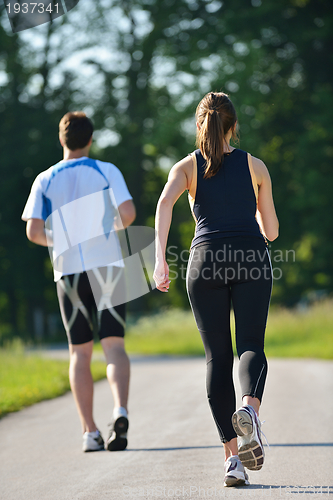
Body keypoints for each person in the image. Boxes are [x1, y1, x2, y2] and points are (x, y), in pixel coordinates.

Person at [153, 92, 279, 487]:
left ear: (200, 125)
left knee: (216, 359)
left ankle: (232, 460)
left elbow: (163, 204)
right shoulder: (255, 166)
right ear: (234, 126)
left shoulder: (187, 166)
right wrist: (253, 209)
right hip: (250, 258)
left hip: (204, 262)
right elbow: (272, 232)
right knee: (250, 347)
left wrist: (159, 260)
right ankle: (250, 411)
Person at [22, 111, 136, 452]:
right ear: (90, 139)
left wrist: (63, 238)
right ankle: (120, 410)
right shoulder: (106, 170)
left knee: (80, 353)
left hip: (68, 272)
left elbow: (33, 231)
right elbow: (128, 214)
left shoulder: (44, 179)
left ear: (62, 139)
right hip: (109, 267)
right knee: (114, 346)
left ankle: (89, 431)